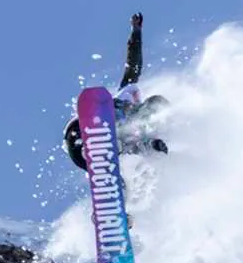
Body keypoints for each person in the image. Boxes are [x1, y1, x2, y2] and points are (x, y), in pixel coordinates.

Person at [65, 13, 168, 168]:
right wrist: (136, 31)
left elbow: (143, 141)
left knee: (139, 139)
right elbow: (134, 63)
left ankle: (123, 176)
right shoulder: (125, 95)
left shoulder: (139, 122)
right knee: (133, 113)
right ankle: (86, 139)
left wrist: (156, 144)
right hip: (80, 139)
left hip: (122, 146)